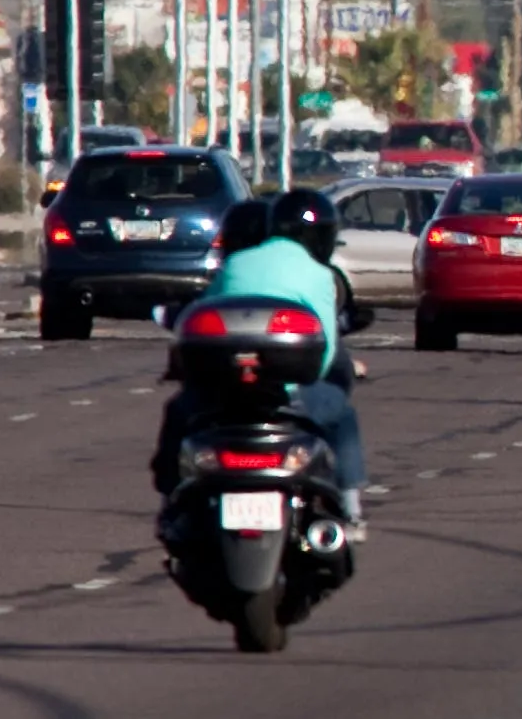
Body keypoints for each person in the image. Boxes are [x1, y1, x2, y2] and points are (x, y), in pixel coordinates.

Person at [152, 189, 368, 525]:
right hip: (289, 393)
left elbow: (198, 324)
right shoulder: (321, 275)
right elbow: (324, 352)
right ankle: (352, 508)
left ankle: (169, 500)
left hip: (223, 393)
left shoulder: (236, 264)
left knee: (177, 413)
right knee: (341, 415)